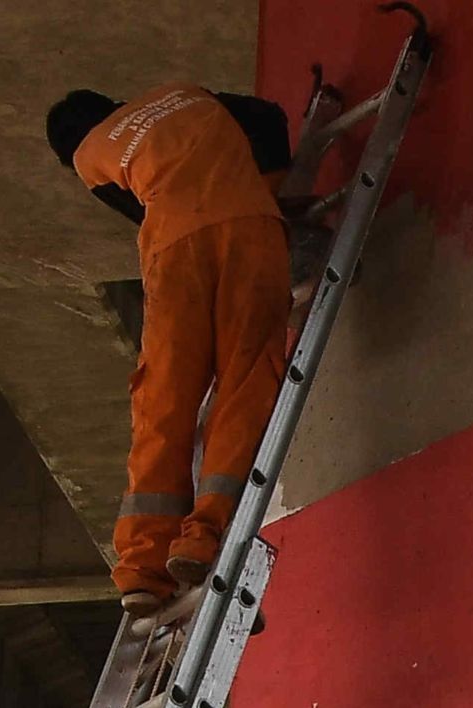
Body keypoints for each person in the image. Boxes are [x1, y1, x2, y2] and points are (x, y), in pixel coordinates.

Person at [45, 86, 295, 616]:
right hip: (253, 230)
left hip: (175, 248)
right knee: (245, 379)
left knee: (165, 394)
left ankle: (141, 567)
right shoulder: (184, 94)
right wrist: (262, 191)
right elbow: (268, 116)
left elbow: (143, 209)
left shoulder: (91, 156)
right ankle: (203, 535)